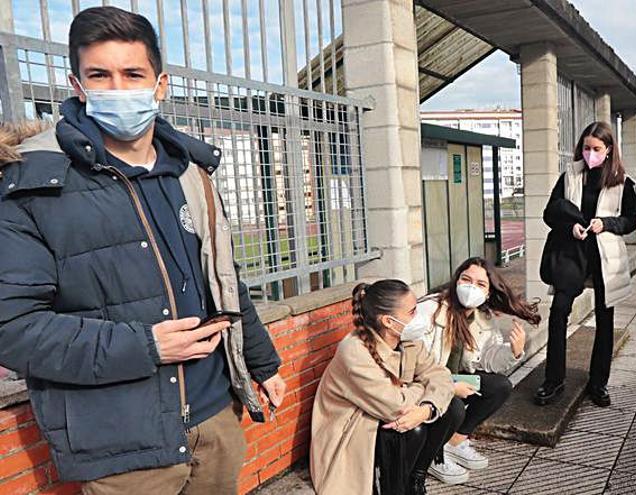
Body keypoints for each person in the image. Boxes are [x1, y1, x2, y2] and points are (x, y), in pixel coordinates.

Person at [0, 7, 285, 493]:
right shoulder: (33, 184)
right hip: (122, 442)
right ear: (77, 84)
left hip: (215, 418)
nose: (117, 88)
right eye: (99, 75)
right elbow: (13, 328)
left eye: (133, 74)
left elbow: (223, 278)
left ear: (160, 84)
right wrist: (147, 346)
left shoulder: (191, 173)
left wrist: (262, 363)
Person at [310, 280, 459, 495]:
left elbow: (441, 376)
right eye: (412, 311)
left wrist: (427, 408)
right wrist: (421, 389)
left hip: (382, 415)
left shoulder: (408, 339)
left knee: (452, 409)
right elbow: (394, 406)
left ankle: (414, 481)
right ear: (389, 321)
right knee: (408, 427)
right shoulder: (353, 351)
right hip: (353, 431)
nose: (419, 317)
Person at [537, 121, 636, 407]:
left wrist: (604, 223)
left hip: (606, 257)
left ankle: (599, 383)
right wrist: (570, 226)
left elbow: (630, 221)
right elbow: (550, 214)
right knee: (558, 312)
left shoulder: (622, 182)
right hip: (572, 254)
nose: (590, 153)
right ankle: (553, 380)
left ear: (608, 150)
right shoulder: (569, 176)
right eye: (585, 148)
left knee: (605, 321)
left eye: (596, 148)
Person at [417, 257, 541, 483]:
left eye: (480, 284)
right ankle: (434, 456)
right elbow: (416, 365)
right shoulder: (430, 309)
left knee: (499, 386)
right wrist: (451, 387)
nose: (471, 287)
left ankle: (455, 440)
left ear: (488, 293)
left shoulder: (482, 316)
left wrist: (513, 351)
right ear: (456, 281)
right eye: (466, 279)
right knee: (454, 406)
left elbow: (487, 359)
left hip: (452, 377)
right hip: (424, 383)